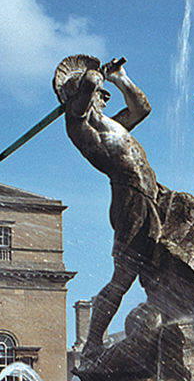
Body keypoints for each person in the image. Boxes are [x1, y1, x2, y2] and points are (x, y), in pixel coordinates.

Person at [55, 54, 158, 356]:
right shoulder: (78, 126)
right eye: (101, 95)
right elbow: (87, 84)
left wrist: (121, 77)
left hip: (153, 195)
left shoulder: (115, 124)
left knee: (160, 262)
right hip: (130, 199)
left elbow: (143, 108)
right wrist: (93, 78)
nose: (105, 98)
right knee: (124, 275)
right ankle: (93, 341)